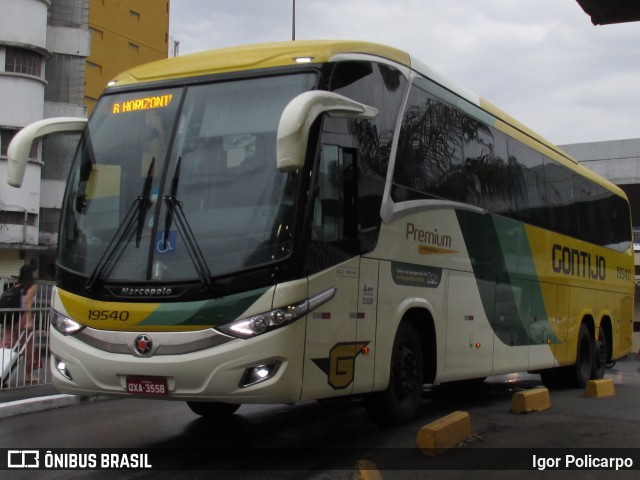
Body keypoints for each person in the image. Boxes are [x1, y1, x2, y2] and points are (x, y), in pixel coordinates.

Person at [2, 265, 40, 382]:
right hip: (22, 318)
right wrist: (29, 320)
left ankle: (1, 369)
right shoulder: (31, 286)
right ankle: (28, 375)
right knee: (28, 346)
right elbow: (27, 303)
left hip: (10, 318)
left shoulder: (15, 286)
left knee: (5, 344)